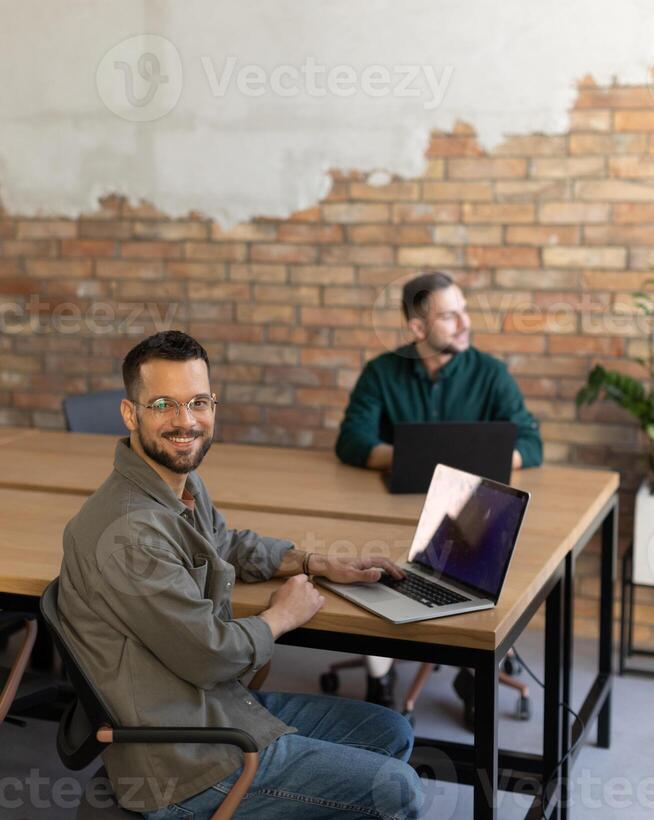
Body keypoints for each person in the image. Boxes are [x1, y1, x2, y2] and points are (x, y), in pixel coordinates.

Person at [57, 331, 424, 819]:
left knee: (390, 731)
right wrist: (281, 617)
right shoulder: (130, 531)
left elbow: (224, 544)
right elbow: (210, 655)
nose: (185, 421)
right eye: (164, 404)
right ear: (131, 414)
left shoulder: (176, 485)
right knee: (394, 789)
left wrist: (314, 562)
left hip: (215, 709)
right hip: (186, 763)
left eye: (199, 402)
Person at [335, 271, 543, 710]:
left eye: (464, 310)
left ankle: (474, 675)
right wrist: (418, 458)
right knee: (373, 561)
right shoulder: (382, 372)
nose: (466, 323)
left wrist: (454, 462)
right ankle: (380, 677)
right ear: (418, 328)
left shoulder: (491, 373)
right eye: (450, 315)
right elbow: (352, 441)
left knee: (480, 569)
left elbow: (530, 444)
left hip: (472, 515)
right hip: (396, 510)